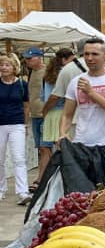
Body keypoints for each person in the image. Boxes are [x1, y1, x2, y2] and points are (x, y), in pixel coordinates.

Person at [58, 38, 105, 186]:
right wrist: (62, 133)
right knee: (83, 194)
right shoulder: (76, 81)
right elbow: (67, 113)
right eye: (86, 54)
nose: (89, 58)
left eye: (95, 54)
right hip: (81, 144)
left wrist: (91, 93)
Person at [0, 53, 30, 205]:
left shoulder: (22, 84)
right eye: (2, 65)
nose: (3, 67)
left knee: (19, 158)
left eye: (7, 65)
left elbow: (26, 106)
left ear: (14, 67)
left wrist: (25, 125)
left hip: (17, 123)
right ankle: (1, 189)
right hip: (0, 125)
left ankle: (22, 192)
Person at [24, 46, 51, 185]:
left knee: (45, 147)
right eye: (26, 58)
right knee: (41, 148)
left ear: (39, 57)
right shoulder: (31, 72)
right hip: (35, 115)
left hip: (46, 115)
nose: (27, 61)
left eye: (30, 58)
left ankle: (40, 179)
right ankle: (45, 177)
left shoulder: (47, 72)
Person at [40, 48, 74, 159]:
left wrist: (45, 111)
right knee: (66, 149)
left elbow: (47, 97)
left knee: (57, 150)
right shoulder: (67, 73)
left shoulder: (49, 75)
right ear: (64, 59)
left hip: (52, 113)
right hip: (65, 113)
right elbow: (55, 97)